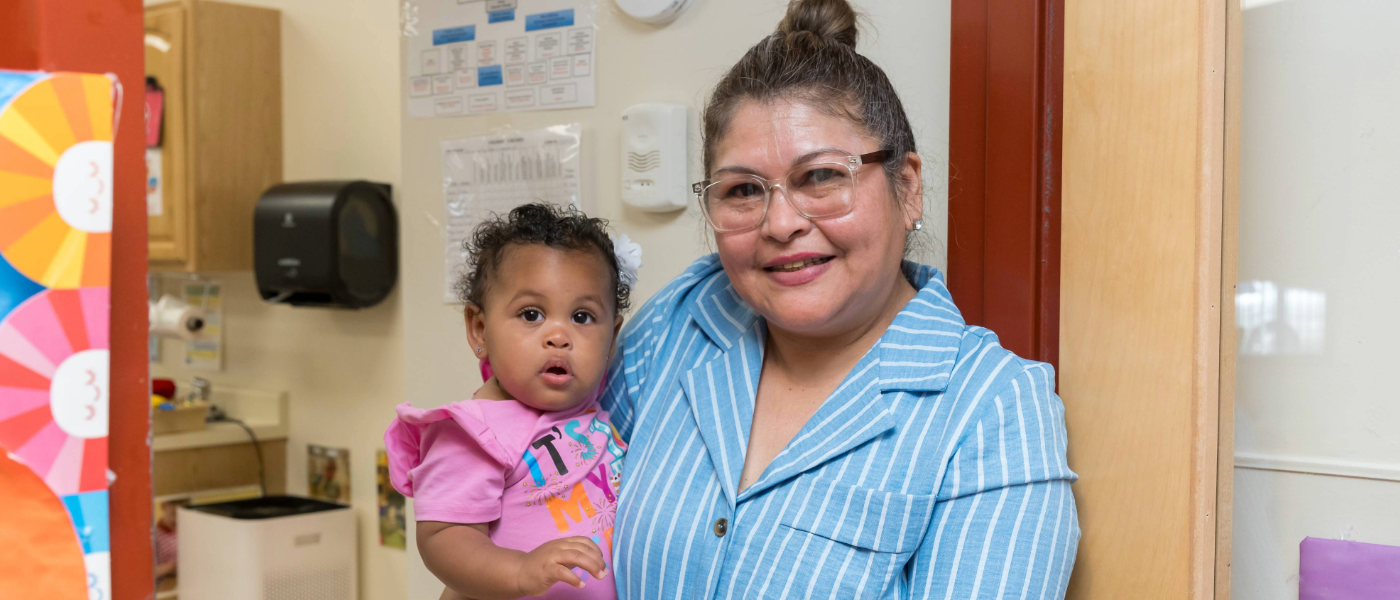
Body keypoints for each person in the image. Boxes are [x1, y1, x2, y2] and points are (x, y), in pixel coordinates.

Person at [600, 0, 1080, 598]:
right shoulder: (676, 323)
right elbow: (538, 496)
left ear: (906, 188)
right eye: (744, 190)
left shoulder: (990, 409)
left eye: (822, 176)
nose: (780, 222)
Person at [386, 204, 639, 599]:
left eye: (583, 317)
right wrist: (520, 570)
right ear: (480, 329)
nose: (559, 336)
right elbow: (442, 537)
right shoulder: (475, 432)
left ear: (612, 338)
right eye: (532, 313)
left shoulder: (596, 410)